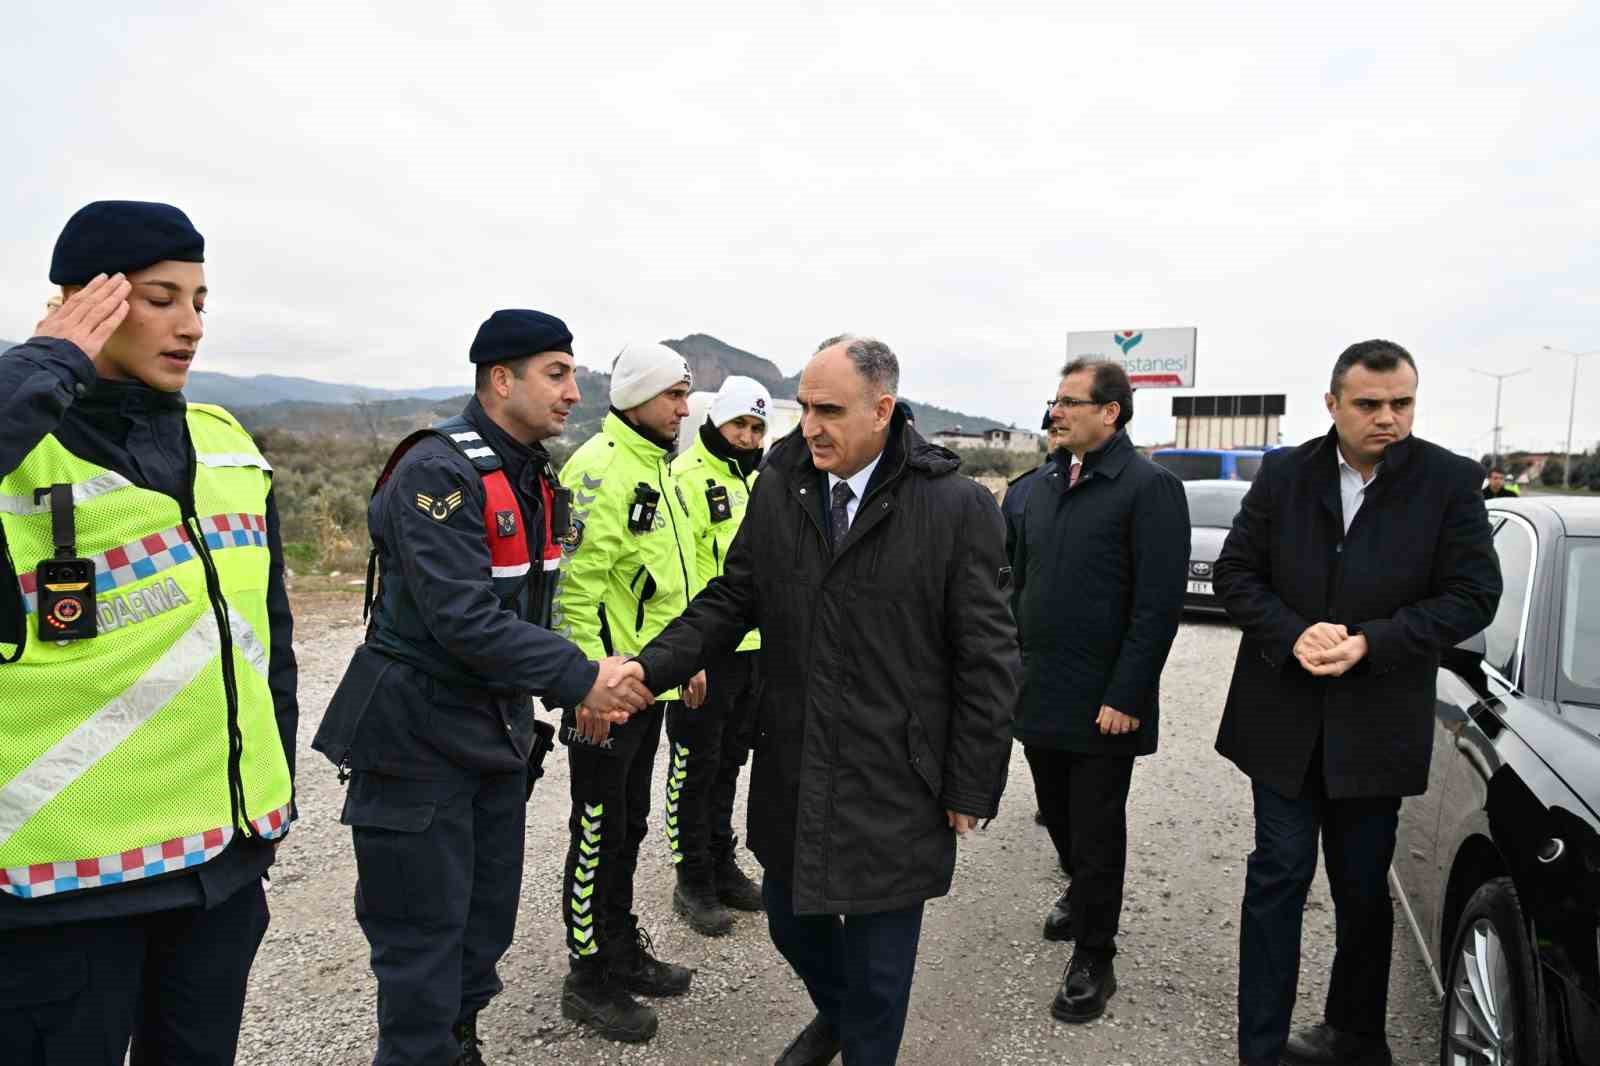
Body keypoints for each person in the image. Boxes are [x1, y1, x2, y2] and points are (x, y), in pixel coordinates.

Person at [628, 334, 1018, 1066]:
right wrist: (650, 669)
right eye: (804, 407)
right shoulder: (782, 485)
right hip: (799, 759)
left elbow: (991, 658)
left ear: (882, 410)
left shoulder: (955, 507)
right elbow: (732, 596)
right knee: (788, 919)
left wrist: (973, 781)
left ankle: (857, 1031)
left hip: (898, 776)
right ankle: (837, 1015)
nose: (809, 425)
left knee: (879, 971)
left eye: (829, 409)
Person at [311, 309, 653, 1066]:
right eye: (556, 373)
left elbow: (539, 605)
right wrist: (581, 678)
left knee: (481, 925)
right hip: (416, 733)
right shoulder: (440, 468)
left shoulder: (533, 475)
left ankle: (457, 1045)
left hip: (491, 731)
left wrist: (583, 677)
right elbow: (460, 618)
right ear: (502, 379)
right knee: (421, 941)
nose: (573, 392)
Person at [0, 201, 296, 1065]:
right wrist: (45, 366)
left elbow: (265, 639)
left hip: (219, 872)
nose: (190, 325)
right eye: (159, 298)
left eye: (200, 301)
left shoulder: (228, 444)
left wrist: (270, 812)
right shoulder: (24, 443)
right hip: (62, 893)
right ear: (79, 301)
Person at [1213, 340, 1502, 1066]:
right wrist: (1292, 631)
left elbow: (1474, 595)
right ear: (1333, 404)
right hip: (1281, 721)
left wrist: (1374, 641)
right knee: (1276, 878)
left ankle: (1356, 1036)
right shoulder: (1284, 474)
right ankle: (1262, 1050)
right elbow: (1236, 575)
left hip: (1377, 725)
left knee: (1363, 890)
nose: (1388, 419)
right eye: (1369, 405)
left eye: (1402, 403)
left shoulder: (1449, 481)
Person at [1011, 359, 1189, 1023]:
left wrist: (1128, 694)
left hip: (1105, 703)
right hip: (1039, 692)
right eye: (1054, 400)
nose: (1055, 412)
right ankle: (1082, 891)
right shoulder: (1044, 485)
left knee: (1095, 824)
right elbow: (1018, 582)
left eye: (1068, 402)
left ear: (1110, 412)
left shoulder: (1150, 488)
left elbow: (1157, 606)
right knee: (1056, 813)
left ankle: (1095, 954)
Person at [551, 342, 705, 1043]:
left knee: (630, 824)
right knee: (595, 830)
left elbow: (667, 582)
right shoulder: (599, 469)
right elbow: (574, 593)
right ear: (638, 394)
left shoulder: (660, 466)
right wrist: (588, 684)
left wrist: (685, 659)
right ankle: (587, 975)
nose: (683, 407)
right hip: (603, 693)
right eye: (674, 393)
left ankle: (618, 947)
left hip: (649, 686)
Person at [663, 375, 771, 936]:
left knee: (731, 760)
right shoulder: (685, 478)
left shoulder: (760, 481)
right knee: (694, 764)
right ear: (716, 422)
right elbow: (684, 574)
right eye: (739, 425)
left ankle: (722, 860)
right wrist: (689, 658)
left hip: (753, 650)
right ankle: (692, 876)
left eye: (757, 428)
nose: (748, 437)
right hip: (707, 651)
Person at [1002, 410, 1063, 577]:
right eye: (1053, 432)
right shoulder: (1019, 489)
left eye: (1064, 430)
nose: (1058, 439)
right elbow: (1005, 559)